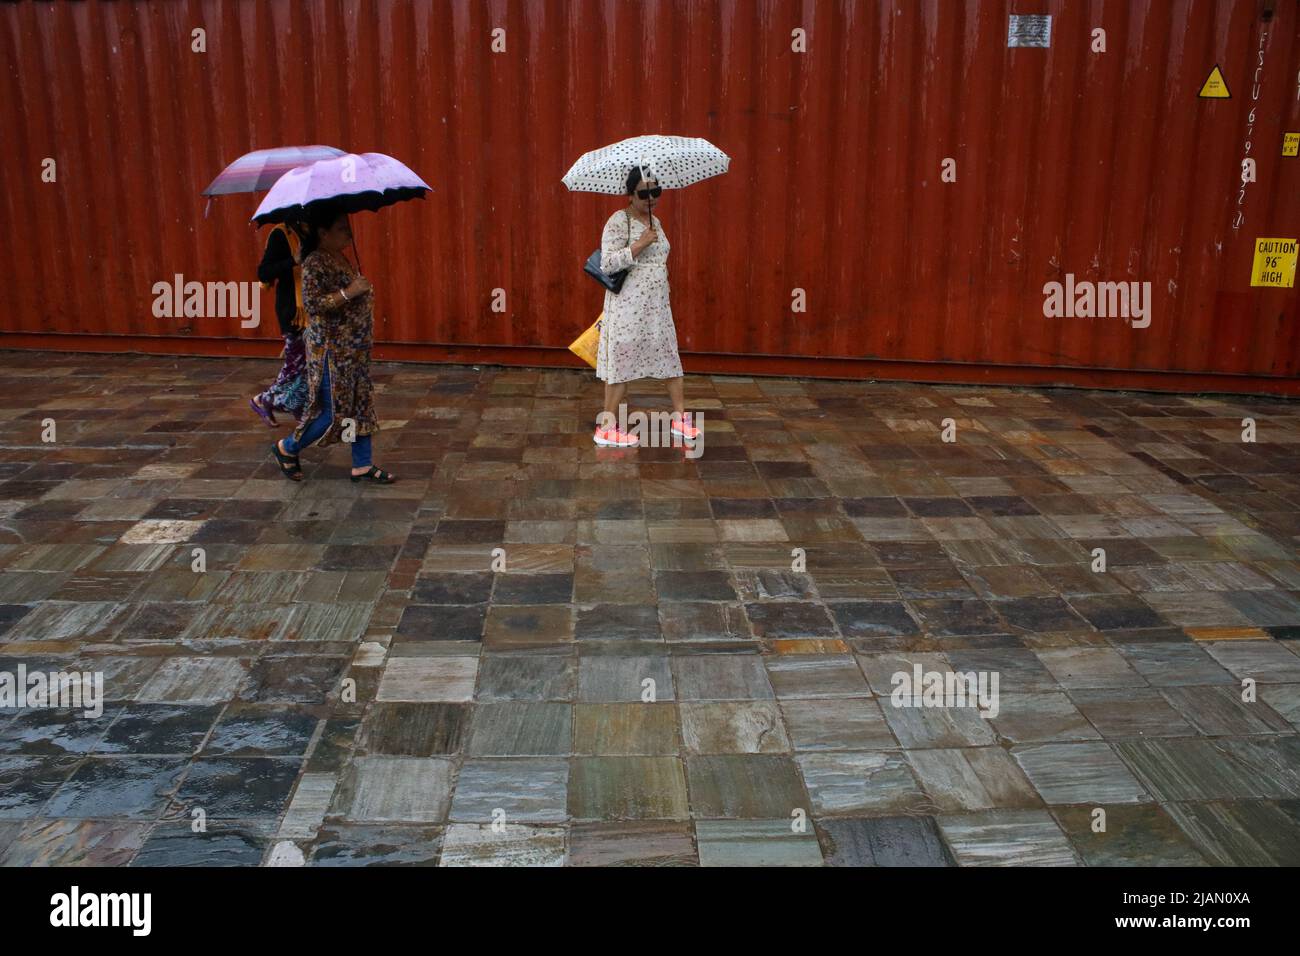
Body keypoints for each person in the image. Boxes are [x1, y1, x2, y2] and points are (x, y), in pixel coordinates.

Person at [270, 203, 395, 483]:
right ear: (323, 233)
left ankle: (361, 464)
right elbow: (314, 305)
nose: (349, 234)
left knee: (357, 406)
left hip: (353, 351)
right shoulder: (315, 262)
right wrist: (349, 292)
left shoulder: (338, 256)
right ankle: (287, 447)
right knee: (331, 413)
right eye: (342, 229)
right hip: (332, 351)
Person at [593, 166, 700, 447]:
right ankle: (606, 427)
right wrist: (639, 244)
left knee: (670, 358)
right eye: (644, 193)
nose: (651, 198)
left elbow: (659, 259)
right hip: (628, 307)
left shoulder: (657, 222)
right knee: (622, 363)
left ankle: (680, 418)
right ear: (630, 195)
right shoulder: (619, 221)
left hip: (657, 307)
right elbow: (607, 263)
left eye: (656, 191)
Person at [250, 221, 311, 425]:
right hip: (292, 310)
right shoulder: (281, 234)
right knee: (295, 365)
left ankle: (297, 405)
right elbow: (264, 272)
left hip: (311, 308)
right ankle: (263, 399)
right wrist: (293, 260)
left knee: (306, 365)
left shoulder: (309, 231)